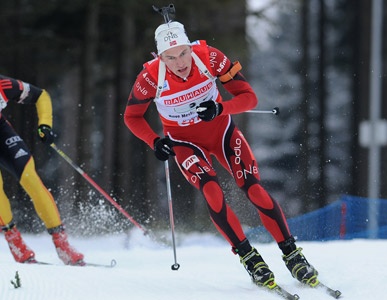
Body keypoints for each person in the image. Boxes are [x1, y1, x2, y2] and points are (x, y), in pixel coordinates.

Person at [124, 21, 318, 288]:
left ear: (190, 47)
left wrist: (220, 108)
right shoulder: (150, 78)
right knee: (212, 191)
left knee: (253, 188)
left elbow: (249, 98)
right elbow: (132, 117)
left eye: (183, 53)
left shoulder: (210, 58)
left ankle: (293, 255)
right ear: (160, 57)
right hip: (184, 141)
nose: (179, 62)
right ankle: (250, 258)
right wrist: (155, 141)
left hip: (222, 133)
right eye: (170, 57)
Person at [0, 74, 84, 265]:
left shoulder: (3, 84)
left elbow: (41, 96)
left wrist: (44, 124)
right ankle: (15, 242)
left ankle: (63, 244)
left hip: (2, 134)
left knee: (31, 180)